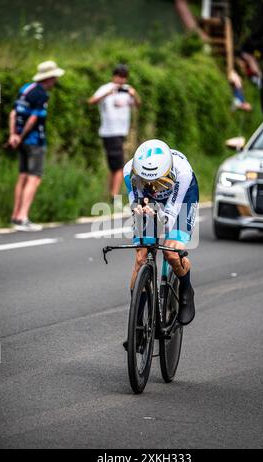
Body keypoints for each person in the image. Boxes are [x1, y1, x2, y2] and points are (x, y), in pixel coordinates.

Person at [122, 139, 199, 350]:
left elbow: (171, 215)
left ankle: (186, 291)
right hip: (150, 203)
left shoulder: (182, 172)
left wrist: (160, 221)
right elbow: (136, 202)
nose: (151, 187)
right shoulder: (129, 171)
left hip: (180, 200)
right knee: (140, 258)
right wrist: (140, 211)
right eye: (146, 181)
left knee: (172, 252)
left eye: (156, 181)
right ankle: (136, 325)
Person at [8, 60, 65, 231]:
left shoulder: (25, 89)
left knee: (22, 176)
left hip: (21, 140)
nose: (55, 80)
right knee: (34, 178)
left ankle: (15, 216)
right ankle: (23, 217)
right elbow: (33, 119)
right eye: (54, 77)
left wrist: (14, 135)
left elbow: (13, 113)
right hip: (35, 141)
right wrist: (22, 135)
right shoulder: (41, 94)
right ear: (49, 78)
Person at [88, 64, 141, 204]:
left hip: (121, 132)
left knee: (114, 167)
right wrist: (109, 93)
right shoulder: (106, 88)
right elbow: (91, 101)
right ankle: (115, 198)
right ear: (114, 76)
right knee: (119, 167)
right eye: (119, 77)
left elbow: (137, 104)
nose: (121, 81)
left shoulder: (127, 90)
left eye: (124, 78)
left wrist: (134, 95)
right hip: (110, 132)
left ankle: (111, 195)